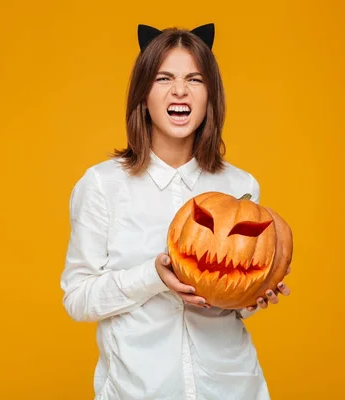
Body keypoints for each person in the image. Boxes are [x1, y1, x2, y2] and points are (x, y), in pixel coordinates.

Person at [60, 23, 292, 400]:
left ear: (209, 96)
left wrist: (250, 297)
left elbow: (230, 299)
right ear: (143, 95)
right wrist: (153, 276)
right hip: (138, 391)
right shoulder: (103, 185)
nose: (179, 90)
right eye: (163, 78)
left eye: (195, 79)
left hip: (232, 387)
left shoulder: (241, 185)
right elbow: (78, 299)